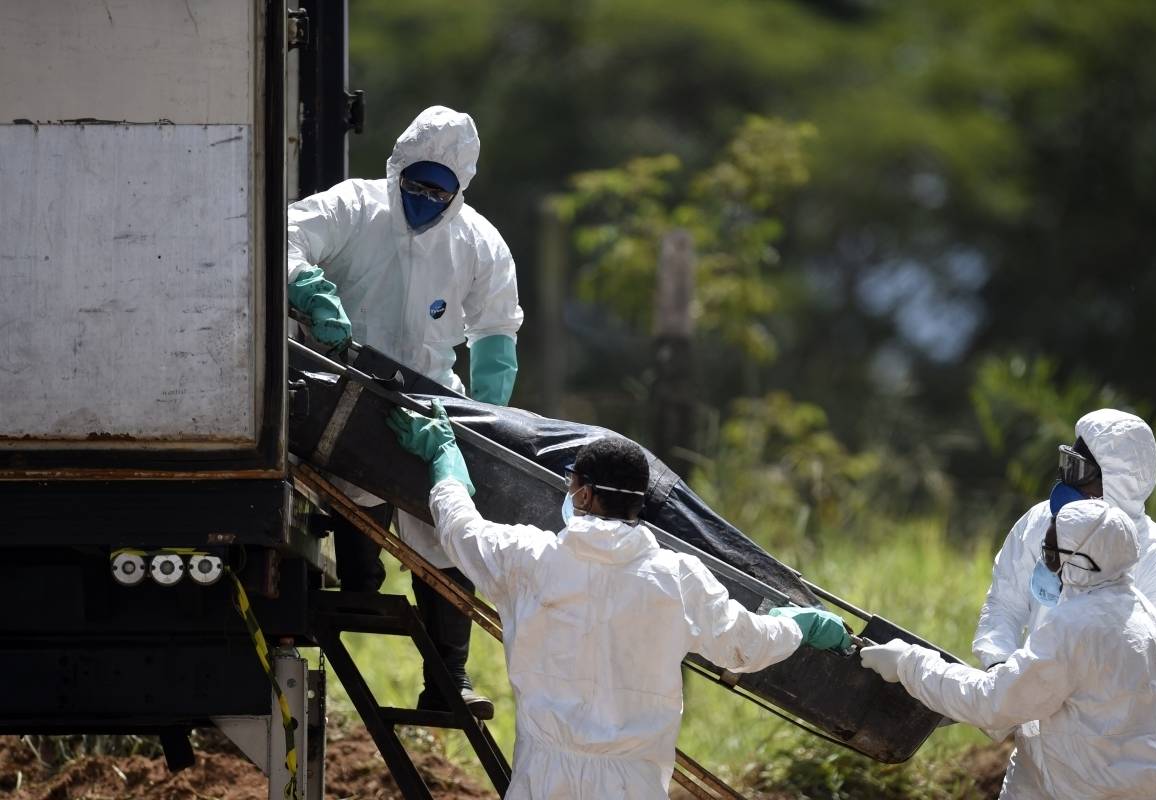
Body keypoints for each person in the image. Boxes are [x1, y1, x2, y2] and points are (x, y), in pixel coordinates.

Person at [385, 401, 852, 799]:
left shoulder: (530, 559)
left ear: (584, 494)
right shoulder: (678, 578)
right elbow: (744, 646)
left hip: (544, 778)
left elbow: (460, 530)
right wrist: (801, 625)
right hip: (635, 783)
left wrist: (444, 457)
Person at [287, 105, 523, 719]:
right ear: (396, 172)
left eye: (438, 193)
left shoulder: (479, 242)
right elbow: (282, 237)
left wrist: (482, 422)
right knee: (351, 485)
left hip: (430, 397)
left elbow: (497, 330)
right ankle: (359, 582)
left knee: (447, 528)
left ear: (458, 193)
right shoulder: (353, 207)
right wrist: (309, 289)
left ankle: (449, 681)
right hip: (341, 381)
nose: (424, 200)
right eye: (415, 185)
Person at [861, 499, 1156, 800]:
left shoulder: (1076, 625)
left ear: (1082, 562)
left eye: (1051, 552)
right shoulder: (1141, 614)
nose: (1044, 561)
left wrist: (908, 663)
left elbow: (993, 703)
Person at [975, 408, 1156, 670]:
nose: (1065, 481)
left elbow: (1150, 680)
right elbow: (1004, 604)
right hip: (1028, 697)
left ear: (1119, 483)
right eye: (1066, 464)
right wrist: (999, 668)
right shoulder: (1041, 521)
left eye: (1078, 471)